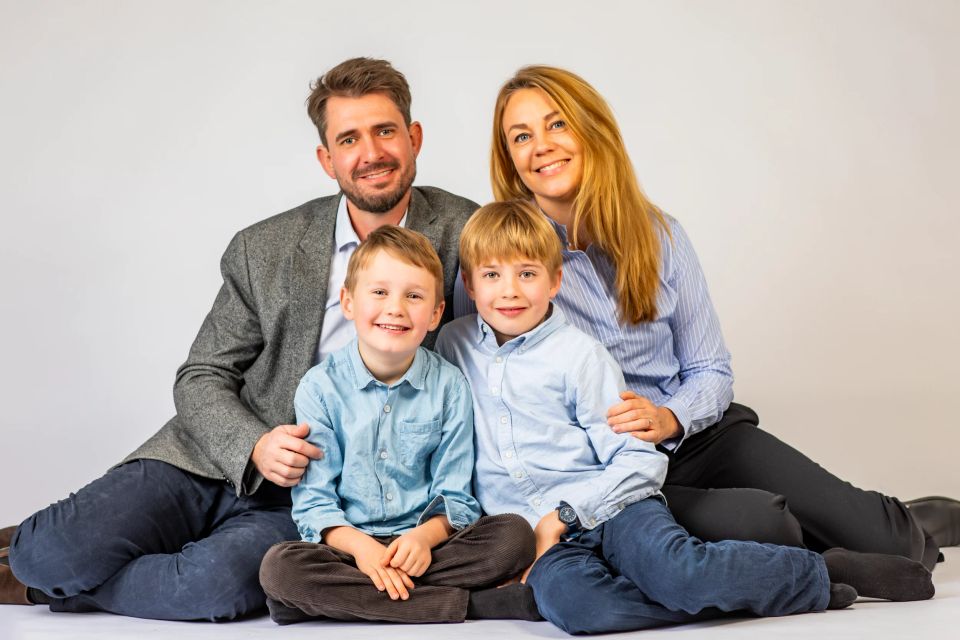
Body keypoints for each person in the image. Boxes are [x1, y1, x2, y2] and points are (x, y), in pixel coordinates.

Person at [1, 57, 478, 620]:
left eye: (385, 130)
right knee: (46, 553)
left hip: (316, 497)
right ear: (327, 160)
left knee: (213, 590)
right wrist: (253, 444)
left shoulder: (468, 235)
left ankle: (59, 587)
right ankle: (45, 560)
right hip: (206, 459)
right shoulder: (265, 247)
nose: (371, 152)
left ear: (414, 137)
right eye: (349, 138)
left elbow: (509, 335)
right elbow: (202, 375)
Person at [478, 64, 960, 572]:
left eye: (557, 125)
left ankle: (904, 522)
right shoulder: (500, 263)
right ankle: (823, 552)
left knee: (894, 544)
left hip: (698, 437)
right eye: (521, 136)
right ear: (510, 158)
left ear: (591, 130)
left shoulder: (659, 235)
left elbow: (710, 370)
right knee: (768, 528)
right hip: (606, 468)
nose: (541, 146)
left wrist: (669, 417)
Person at [436, 200, 933, 635]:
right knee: (580, 607)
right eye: (492, 275)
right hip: (539, 538)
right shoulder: (453, 348)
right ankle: (746, 591)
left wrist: (566, 515)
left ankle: (818, 576)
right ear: (468, 284)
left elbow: (636, 460)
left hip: (615, 507)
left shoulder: (579, 356)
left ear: (555, 280)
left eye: (527, 274)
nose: (509, 291)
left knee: (680, 573)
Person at [258, 225, 535, 625]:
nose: (396, 308)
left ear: (436, 313)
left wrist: (423, 538)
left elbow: (456, 495)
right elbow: (315, 504)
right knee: (280, 568)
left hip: (430, 546)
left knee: (514, 536)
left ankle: (326, 602)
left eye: (414, 296)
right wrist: (365, 551)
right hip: (349, 548)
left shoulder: (449, 385)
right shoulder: (320, 387)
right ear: (348, 302)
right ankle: (469, 606)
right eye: (379, 292)